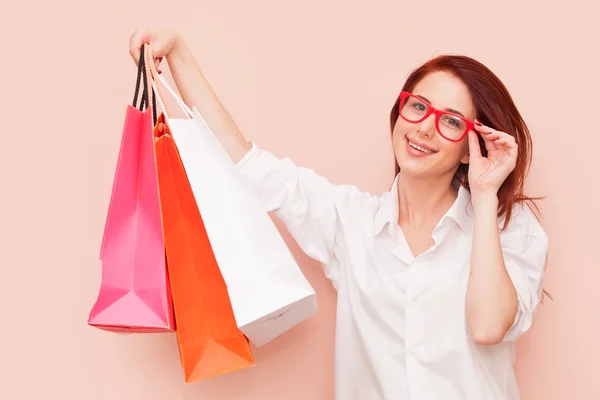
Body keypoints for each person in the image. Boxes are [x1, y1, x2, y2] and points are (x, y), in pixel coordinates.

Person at [128, 29, 549, 400]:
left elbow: (488, 326)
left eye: (451, 122)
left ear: (471, 146)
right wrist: (179, 53)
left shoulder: (508, 229)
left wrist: (485, 192)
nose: (424, 127)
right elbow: (249, 164)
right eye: (418, 106)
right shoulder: (351, 222)